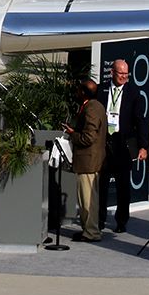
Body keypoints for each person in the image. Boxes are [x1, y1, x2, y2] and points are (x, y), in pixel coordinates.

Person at [97, 58, 149, 233]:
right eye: (121, 74)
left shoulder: (134, 93)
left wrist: (143, 146)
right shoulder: (101, 90)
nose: (124, 77)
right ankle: (100, 219)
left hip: (123, 142)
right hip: (105, 141)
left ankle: (121, 221)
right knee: (102, 183)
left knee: (123, 185)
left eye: (126, 74)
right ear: (112, 72)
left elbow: (140, 121)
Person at [63, 77, 106, 242]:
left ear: (83, 92)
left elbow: (88, 137)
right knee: (86, 198)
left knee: (88, 199)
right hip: (88, 160)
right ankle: (87, 230)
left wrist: (73, 134)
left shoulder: (92, 108)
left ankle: (91, 232)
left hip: (89, 161)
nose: (76, 92)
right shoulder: (93, 106)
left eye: (78, 90)